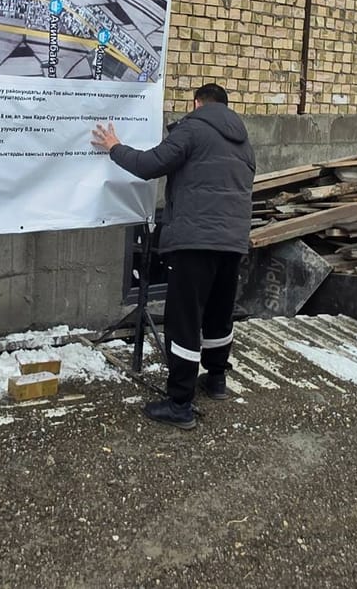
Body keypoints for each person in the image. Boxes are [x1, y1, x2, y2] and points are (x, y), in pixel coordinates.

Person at [92, 83, 255, 430]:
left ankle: (180, 403)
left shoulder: (192, 129)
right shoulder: (243, 141)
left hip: (196, 241)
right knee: (218, 313)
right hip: (233, 242)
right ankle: (216, 379)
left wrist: (114, 146)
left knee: (184, 319)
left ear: (197, 103)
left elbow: (150, 164)